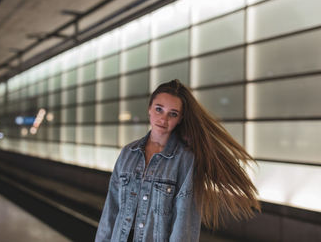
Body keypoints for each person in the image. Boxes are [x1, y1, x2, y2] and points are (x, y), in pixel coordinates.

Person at [95, 79, 260, 242]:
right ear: (149, 109)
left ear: (180, 118)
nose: (163, 119)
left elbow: (183, 222)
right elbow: (111, 209)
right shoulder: (128, 153)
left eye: (172, 114)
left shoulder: (185, 160)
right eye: (159, 109)